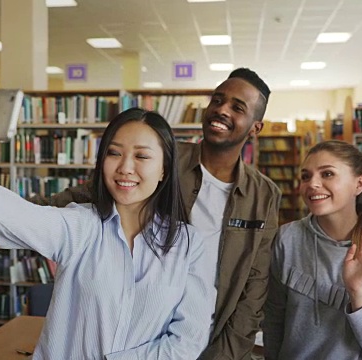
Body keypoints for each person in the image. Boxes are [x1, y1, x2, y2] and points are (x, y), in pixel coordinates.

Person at [0, 87, 215, 359]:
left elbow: (188, 339)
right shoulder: (81, 226)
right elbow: (10, 214)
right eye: (114, 153)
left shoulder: (188, 245)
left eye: (142, 156)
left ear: (164, 168)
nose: (125, 168)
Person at [31, 68, 282, 359]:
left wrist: (226, 354)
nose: (222, 110)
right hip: (146, 341)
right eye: (217, 100)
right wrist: (12, 209)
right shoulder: (163, 158)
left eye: (237, 107)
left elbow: (255, 285)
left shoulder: (264, 195)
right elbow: (89, 195)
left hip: (216, 342)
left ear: (255, 128)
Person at [263, 140, 362, 359]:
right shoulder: (288, 238)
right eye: (306, 176)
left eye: (327, 174)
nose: (312, 184)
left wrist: (356, 292)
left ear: (359, 184)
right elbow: (274, 320)